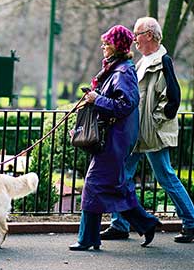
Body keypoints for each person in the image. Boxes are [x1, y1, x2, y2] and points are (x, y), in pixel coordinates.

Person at [100, 17, 194, 243]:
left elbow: (173, 98)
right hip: (136, 131)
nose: (134, 39)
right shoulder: (142, 62)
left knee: (165, 176)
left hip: (152, 132)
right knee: (122, 175)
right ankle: (120, 224)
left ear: (149, 34)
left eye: (137, 34)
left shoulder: (162, 60)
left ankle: (192, 222)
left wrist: (155, 121)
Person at [69, 25, 161, 251]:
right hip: (113, 138)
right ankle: (146, 223)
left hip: (115, 140)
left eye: (106, 44)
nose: (103, 47)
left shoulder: (123, 72)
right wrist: (96, 97)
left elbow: (126, 104)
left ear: (116, 46)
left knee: (93, 185)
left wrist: (96, 99)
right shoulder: (117, 69)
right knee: (114, 187)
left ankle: (87, 239)